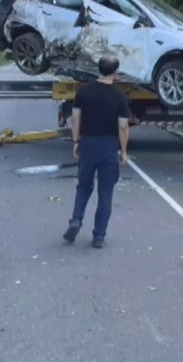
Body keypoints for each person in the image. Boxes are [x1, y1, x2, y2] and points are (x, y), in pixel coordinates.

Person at [62, 54, 131, 249]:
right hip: (108, 146)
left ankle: (76, 220)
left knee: (83, 186)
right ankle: (99, 235)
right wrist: (123, 151)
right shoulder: (119, 97)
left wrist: (76, 141)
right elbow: (123, 127)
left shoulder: (84, 92)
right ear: (116, 73)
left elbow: (75, 118)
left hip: (88, 144)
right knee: (106, 192)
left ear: (98, 69)